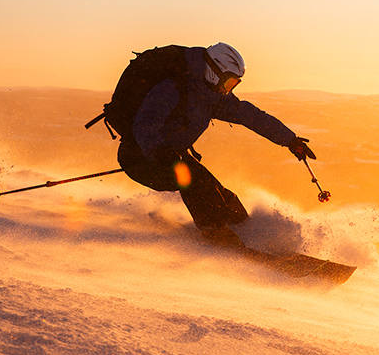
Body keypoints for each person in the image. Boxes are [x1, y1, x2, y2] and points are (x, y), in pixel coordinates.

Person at [116, 42, 316, 247]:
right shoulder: (173, 88)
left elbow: (251, 116)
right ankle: (216, 234)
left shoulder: (211, 96)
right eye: (228, 82)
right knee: (195, 182)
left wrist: (290, 140)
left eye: (234, 85)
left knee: (220, 193)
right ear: (214, 72)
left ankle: (246, 231)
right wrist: (157, 150)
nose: (228, 89)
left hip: (172, 155)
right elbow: (145, 123)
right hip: (141, 157)